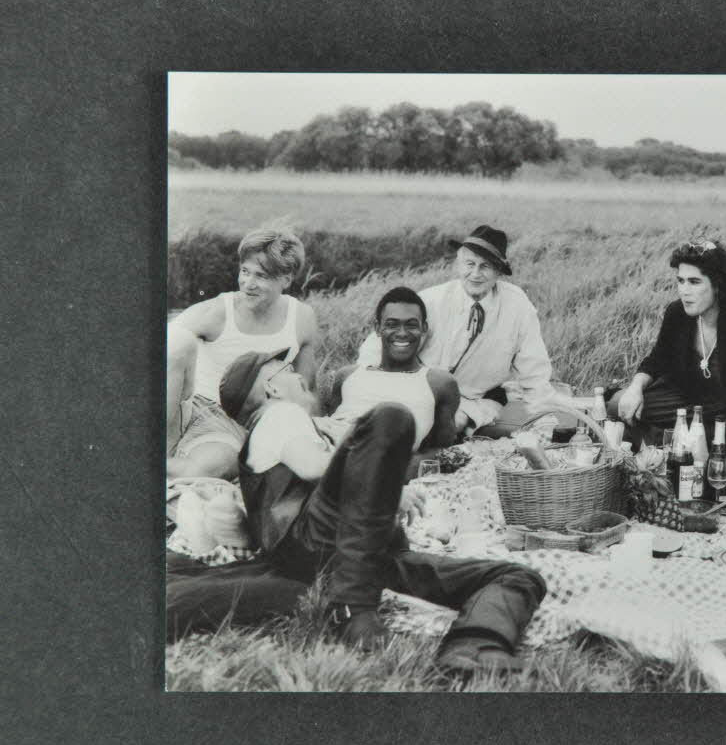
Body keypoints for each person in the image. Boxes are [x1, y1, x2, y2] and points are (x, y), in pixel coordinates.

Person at [166, 347, 547, 675]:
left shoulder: (289, 424)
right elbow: (315, 468)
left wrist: (378, 486)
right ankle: (359, 608)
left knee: (516, 575)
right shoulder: (279, 414)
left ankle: (474, 649)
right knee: (390, 419)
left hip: (356, 558)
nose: (299, 375)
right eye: (287, 371)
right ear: (271, 387)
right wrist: (383, 483)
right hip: (314, 542)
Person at [356, 225, 555, 435]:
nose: (475, 274)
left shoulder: (517, 306)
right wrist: (368, 384)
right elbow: (378, 347)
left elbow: (534, 369)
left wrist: (545, 422)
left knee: (449, 427)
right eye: (469, 264)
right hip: (417, 390)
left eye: (485, 266)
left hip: (470, 401)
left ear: (498, 271)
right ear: (459, 265)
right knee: (394, 425)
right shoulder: (431, 300)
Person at [167, 228, 319, 480]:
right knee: (177, 340)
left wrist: (310, 438)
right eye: (245, 271)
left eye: (261, 276)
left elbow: (308, 389)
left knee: (215, 467)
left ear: (286, 279)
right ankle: (151, 452)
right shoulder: (216, 311)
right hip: (194, 410)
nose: (248, 284)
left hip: (244, 421)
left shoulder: (302, 318)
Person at [610, 239, 726, 459]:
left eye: (694, 282)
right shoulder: (677, 313)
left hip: (725, 410)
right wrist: (635, 388)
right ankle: (668, 438)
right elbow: (658, 359)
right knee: (617, 404)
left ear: (717, 284)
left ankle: (665, 440)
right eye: (681, 281)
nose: (684, 291)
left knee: (703, 443)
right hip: (684, 399)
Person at [318, 287, 459, 479]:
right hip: (324, 450)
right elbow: (331, 424)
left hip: (379, 463)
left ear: (424, 328)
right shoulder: (348, 375)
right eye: (392, 324)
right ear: (378, 328)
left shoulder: (439, 383)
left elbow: (442, 451)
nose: (402, 333)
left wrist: (396, 472)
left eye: (411, 325)